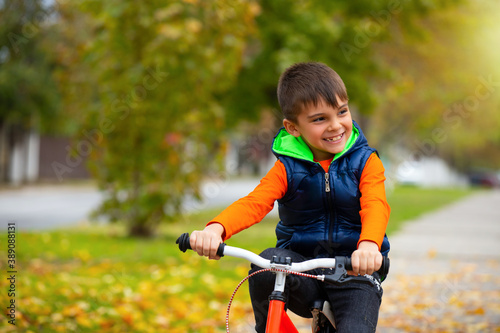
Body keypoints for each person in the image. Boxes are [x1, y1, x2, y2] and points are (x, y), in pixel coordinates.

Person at [189, 62, 390, 332]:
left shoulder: (366, 162)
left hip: (354, 270)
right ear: (293, 127)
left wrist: (368, 247)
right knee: (266, 267)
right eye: (319, 119)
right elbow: (255, 202)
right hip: (302, 268)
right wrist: (216, 229)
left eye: (342, 111)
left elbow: (375, 205)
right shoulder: (287, 168)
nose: (335, 125)